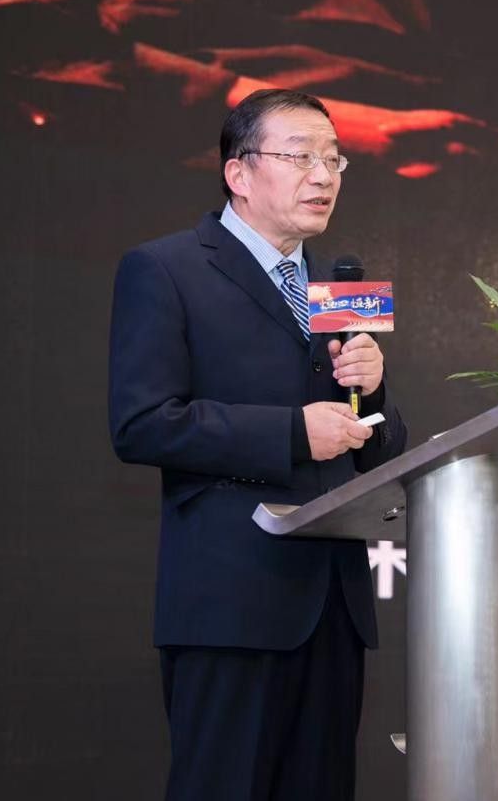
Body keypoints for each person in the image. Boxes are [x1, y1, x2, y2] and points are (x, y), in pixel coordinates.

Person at [108, 88, 407, 800]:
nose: (323, 175)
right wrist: (292, 432)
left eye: (334, 159)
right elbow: (142, 421)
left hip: (333, 605)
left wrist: (374, 394)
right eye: (300, 157)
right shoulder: (166, 269)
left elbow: (377, 446)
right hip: (231, 604)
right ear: (238, 173)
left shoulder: (338, 287)